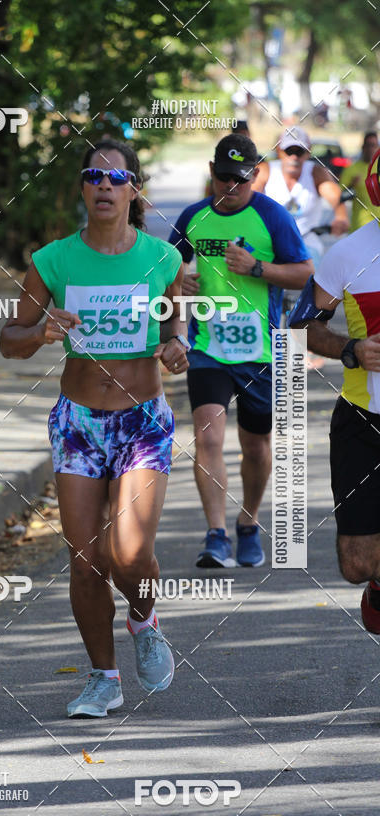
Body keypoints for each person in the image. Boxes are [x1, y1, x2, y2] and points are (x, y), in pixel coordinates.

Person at [0, 139, 188, 717]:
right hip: (78, 423)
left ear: (133, 190)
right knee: (85, 559)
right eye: (92, 177)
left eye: (116, 179)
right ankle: (104, 679)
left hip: (142, 422)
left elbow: (175, 320)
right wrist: (40, 334)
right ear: (82, 188)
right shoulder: (53, 260)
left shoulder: (163, 259)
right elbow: (10, 341)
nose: (104, 187)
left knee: (129, 554)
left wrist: (177, 343)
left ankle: (144, 618)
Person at [168, 134, 313, 568]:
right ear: (212, 173)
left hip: (262, 352)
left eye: (241, 180)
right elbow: (167, 272)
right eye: (224, 178)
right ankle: (215, 535)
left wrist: (258, 269)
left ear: (255, 176)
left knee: (256, 445)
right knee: (208, 437)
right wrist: (182, 285)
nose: (231, 188)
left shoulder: (272, 217)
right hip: (207, 347)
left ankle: (248, 522)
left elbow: (306, 274)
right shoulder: (193, 217)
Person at [288, 147, 380, 632]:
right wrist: (352, 349)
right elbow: (301, 325)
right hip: (363, 420)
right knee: (358, 564)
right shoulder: (349, 254)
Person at [252, 126, 349, 268]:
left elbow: (335, 197)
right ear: (279, 151)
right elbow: (249, 198)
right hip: (271, 240)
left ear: (308, 152)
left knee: (312, 276)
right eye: (289, 151)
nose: (294, 157)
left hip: (307, 240)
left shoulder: (317, 173)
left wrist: (341, 217)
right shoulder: (265, 170)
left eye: (299, 152)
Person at [343, 131, 379, 232]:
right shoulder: (351, 169)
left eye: (374, 145)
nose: (371, 149)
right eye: (368, 145)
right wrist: (351, 186)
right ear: (363, 147)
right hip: (360, 227)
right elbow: (339, 197)